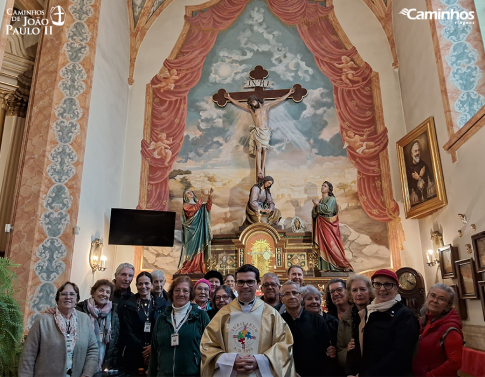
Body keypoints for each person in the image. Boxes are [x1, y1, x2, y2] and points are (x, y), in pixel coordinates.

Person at [200, 264, 295, 376]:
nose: (245, 286)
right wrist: (231, 361)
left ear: (257, 285)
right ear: (235, 285)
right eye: (241, 282)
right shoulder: (223, 314)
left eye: (250, 281)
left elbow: (284, 345)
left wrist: (259, 361)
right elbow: (207, 346)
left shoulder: (270, 314)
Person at [19, 282, 98, 377]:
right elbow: (29, 354)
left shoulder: (84, 319)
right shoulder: (43, 320)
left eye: (72, 294)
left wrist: (87, 374)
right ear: (57, 299)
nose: (68, 297)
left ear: (77, 299)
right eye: (64, 294)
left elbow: (93, 349)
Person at [358, 269, 419, 376]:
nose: (382, 289)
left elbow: (400, 355)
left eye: (388, 284)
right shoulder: (369, 311)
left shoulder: (405, 315)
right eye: (377, 284)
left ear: (396, 288)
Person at [224, 87, 295, 180]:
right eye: (251, 104)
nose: (253, 104)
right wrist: (230, 98)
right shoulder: (252, 109)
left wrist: (289, 93)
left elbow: (279, 100)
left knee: (265, 150)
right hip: (258, 131)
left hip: (265, 131)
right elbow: (239, 104)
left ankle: (262, 168)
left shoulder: (267, 106)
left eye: (253, 102)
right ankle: (259, 170)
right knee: (258, 149)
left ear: (256, 100)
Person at [148, 276, 210, 377]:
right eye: (177, 290)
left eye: (185, 291)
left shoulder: (201, 316)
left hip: (192, 374)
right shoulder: (162, 318)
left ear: (191, 294)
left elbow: (209, 348)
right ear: (172, 293)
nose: (181, 294)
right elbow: (154, 352)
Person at [280, 281, 340, 377]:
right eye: (287, 294)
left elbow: (326, 353)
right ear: (281, 299)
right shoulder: (278, 321)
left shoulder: (317, 320)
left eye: (295, 293)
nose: (292, 296)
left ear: (301, 296)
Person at [119, 271, 167, 375]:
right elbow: (127, 331)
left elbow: (165, 329)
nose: (143, 286)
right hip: (134, 353)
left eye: (146, 283)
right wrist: (144, 350)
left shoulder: (163, 304)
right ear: (136, 285)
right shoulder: (128, 305)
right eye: (140, 284)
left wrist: (152, 348)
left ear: (151, 284)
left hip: (157, 353)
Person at [413, 283, 463, 377]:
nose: (435, 300)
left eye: (441, 299)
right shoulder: (422, 321)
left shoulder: (450, 328)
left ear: (448, 305)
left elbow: (455, 362)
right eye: (432, 295)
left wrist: (430, 375)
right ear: (427, 297)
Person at [75, 279, 120, 372]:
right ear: (93, 292)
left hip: (104, 360)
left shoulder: (114, 312)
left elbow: (115, 340)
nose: (104, 294)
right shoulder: (80, 309)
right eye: (101, 290)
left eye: (108, 292)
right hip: (82, 359)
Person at [336, 274, 374, 374]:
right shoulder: (345, 319)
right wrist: (348, 351)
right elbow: (339, 353)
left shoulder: (378, 313)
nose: (359, 293)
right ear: (349, 294)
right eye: (354, 290)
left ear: (370, 291)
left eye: (362, 289)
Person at [312, 181, 353, 271]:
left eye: (325, 186)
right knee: (322, 245)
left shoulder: (331, 199)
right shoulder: (321, 200)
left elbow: (328, 209)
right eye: (322, 185)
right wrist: (316, 207)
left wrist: (317, 205)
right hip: (321, 226)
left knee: (331, 244)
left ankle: (342, 264)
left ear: (329, 189)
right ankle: (325, 267)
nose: (322, 187)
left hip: (329, 226)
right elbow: (315, 214)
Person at [177, 188, 213, 274]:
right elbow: (195, 208)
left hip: (199, 230)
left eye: (191, 192)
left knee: (200, 248)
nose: (190, 194)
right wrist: (202, 197)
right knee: (191, 249)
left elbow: (208, 207)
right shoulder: (186, 205)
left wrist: (210, 197)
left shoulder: (200, 205)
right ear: (185, 197)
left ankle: (198, 267)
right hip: (190, 231)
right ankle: (189, 267)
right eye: (188, 193)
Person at [407, 139, 433, 204]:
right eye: (415, 151)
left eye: (418, 150)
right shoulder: (409, 170)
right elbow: (409, 188)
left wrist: (419, 177)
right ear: (411, 154)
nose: (417, 153)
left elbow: (431, 181)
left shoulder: (424, 165)